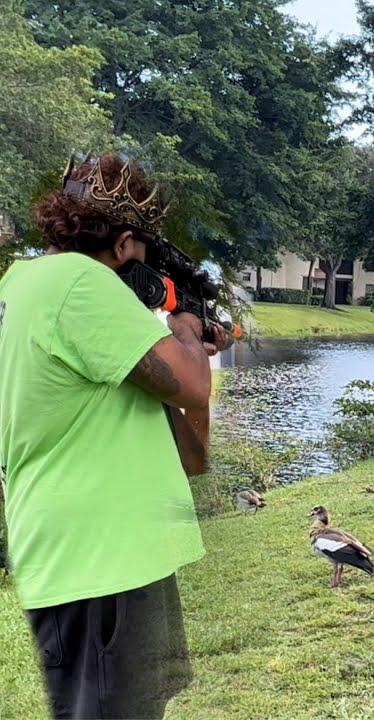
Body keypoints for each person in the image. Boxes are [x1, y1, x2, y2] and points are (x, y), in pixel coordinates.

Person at [0, 153, 228, 719]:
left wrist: (191, 346)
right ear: (124, 244)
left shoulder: (25, 283)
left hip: (100, 552)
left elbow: (190, 453)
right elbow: (193, 388)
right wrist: (188, 321)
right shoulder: (82, 284)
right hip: (99, 558)